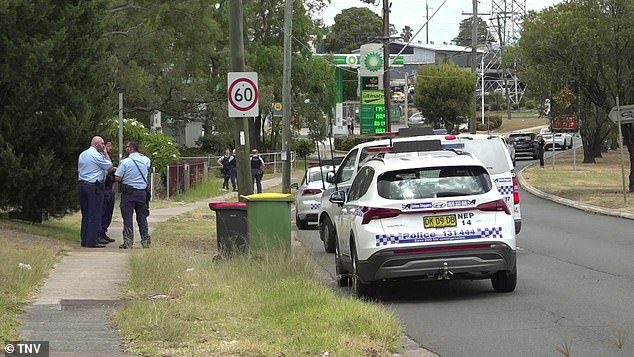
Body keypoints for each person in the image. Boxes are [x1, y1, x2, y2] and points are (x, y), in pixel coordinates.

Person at [77, 136, 113, 248]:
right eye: (102, 144)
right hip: (94, 187)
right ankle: (91, 241)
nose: (104, 146)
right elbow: (109, 166)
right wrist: (105, 153)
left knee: (86, 213)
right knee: (94, 213)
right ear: (97, 144)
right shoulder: (96, 155)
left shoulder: (83, 154)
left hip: (82, 184)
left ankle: (84, 238)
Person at [115, 140, 151, 249]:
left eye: (126, 147)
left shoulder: (125, 162)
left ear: (131, 148)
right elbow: (147, 167)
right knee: (142, 217)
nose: (125, 149)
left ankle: (128, 241)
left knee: (127, 217)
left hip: (129, 193)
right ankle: (145, 240)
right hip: (142, 193)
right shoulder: (145, 160)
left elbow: (118, 177)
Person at [98, 138, 116, 244]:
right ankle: (99, 232)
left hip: (110, 187)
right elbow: (109, 167)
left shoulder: (108, 156)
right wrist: (105, 153)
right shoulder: (100, 156)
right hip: (104, 188)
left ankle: (104, 231)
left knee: (108, 213)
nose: (110, 148)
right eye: (108, 146)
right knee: (102, 211)